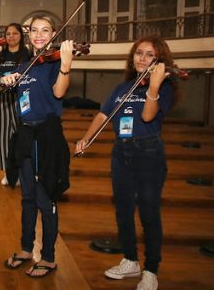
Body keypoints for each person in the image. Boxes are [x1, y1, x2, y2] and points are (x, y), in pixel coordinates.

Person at [75, 36, 176, 290]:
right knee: (123, 210)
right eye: (138, 53)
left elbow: (147, 115)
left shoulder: (165, 88)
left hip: (149, 152)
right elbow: (103, 114)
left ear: (159, 59)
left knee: (149, 212)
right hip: (121, 151)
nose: (142, 58)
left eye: (149, 54)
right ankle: (130, 260)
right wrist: (86, 138)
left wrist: (153, 87)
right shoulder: (123, 88)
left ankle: (151, 269)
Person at [0, 15, 74, 278]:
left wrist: (65, 64)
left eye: (45, 31)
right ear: (28, 34)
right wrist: (7, 81)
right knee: (28, 198)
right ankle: (25, 248)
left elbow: (58, 92)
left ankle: (50, 258)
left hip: (47, 135)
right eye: (34, 30)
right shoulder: (26, 64)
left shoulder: (55, 63)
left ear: (53, 35)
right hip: (26, 133)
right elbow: (3, 85)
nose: (39, 35)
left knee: (46, 199)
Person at [0, 24, 31, 185]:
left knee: (24, 137)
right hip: (3, 100)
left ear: (21, 36)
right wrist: (1, 83)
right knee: (4, 139)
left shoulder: (27, 54)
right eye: (8, 34)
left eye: (15, 33)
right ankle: (9, 172)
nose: (11, 36)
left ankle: (24, 172)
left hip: (23, 100)